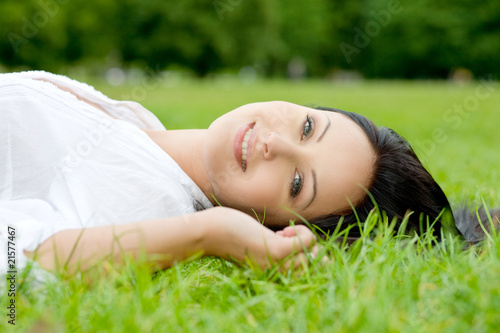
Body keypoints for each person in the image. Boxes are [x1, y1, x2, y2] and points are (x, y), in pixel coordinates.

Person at [0, 71, 495, 277]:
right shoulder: (141, 141)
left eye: (297, 184)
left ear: (280, 227)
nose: (274, 144)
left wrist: (205, 234)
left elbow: (15, 260)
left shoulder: (150, 202)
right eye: (307, 126)